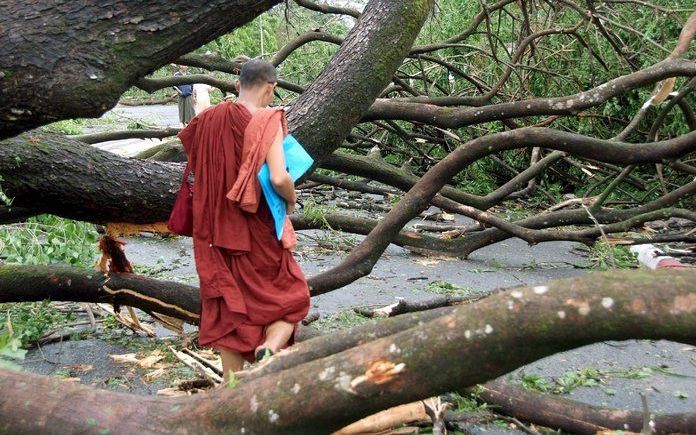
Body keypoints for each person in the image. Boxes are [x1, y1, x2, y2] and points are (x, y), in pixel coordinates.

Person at [178, 59, 310, 382]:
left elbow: (204, 167)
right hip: (259, 233)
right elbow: (279, 178)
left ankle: (231, 386)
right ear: (271, 88)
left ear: (238, 86)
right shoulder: (269, 119)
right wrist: (292, 199)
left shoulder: (208, 118)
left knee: (229, 311)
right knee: (295, 297)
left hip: (218, 231)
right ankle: (269, 348)